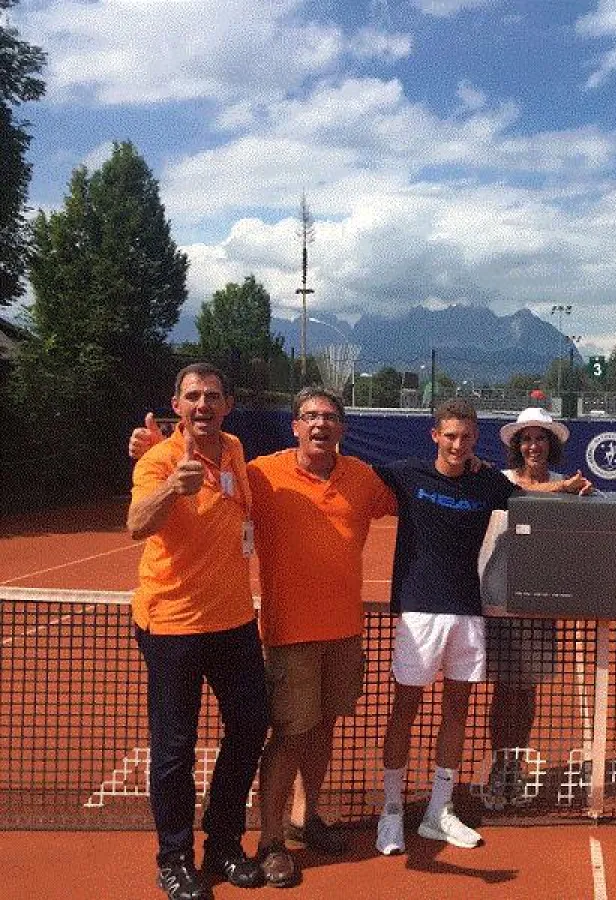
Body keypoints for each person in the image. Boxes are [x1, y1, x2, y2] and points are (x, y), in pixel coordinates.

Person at [129, 387, 398, 887]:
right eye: (310, 416)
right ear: (295, 426)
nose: (320, 424)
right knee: (280, 736)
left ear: (342, 427)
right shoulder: (263, 472)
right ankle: (267, 842)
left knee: (317, 730)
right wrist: (156, 454)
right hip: (275, 630)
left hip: (339, 631)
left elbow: (415, 500)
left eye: (330, 417)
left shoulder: (356, 476)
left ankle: (301, 819)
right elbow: (143, 517)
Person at [127, 363, 270, 900]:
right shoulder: (158, 460)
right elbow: (136, 524)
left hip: (234, 622)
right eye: (192, 397)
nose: (202, 404)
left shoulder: (234, 448)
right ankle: (174, 859)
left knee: (250, 727)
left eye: (212, 396)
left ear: (227, 404)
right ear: (177, 405)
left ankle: (224, 842)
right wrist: (172, 488)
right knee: (174, 750)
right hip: (173, 626)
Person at [372, 399, 522, 856]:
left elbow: (532, 495)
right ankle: (391, 811)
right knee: (405, 709)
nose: (458, 445)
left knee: (457, 710)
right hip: (419, 612)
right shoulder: (407, 474)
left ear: (475, 439)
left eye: (466, 437)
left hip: (467, 611)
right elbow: (354, 476)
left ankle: (439, 811)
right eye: (450, 436)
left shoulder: (488, 482)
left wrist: (572, 487)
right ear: (435, 435)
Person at [477, 407, 592, 809]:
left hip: (542, 597)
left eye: (540, 438)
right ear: (517, 446)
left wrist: (586, 495)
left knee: (526, 689)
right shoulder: (501, 481)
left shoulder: (566, 484)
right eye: (526, 439)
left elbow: (594, 518)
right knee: (504, 687)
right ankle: (500, 767)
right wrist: (562, 491)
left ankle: (514, 765)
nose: (533, 446)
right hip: (498, 593)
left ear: (551, 444)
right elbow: (518, 500)